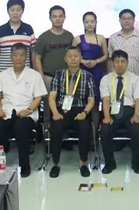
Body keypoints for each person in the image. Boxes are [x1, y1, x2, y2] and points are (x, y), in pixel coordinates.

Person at [0, 43, 47, 178]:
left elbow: (38, 98)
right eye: (15, 55)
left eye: (22, 55)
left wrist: (29, 110)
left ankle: (25, 165)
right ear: (11, 57)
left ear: (26, 57)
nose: (18, 58)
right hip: (6, 112)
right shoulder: (3, 75)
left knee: (21, 128)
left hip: (26, 113)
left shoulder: (34, 75)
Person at [48, 46, 96, 178]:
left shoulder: (88, 76)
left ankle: (83, 163)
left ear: (81, 58)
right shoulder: (58, 74)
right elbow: (52, 97)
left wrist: (84, 113)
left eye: (76, 56)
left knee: (85, 128)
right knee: (56, 128)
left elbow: (91, 100)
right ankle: (56, 164)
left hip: (80, 110)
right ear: (65, 59)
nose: (73, 59)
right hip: (61, 110)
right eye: (70, 56)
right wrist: (55, 113)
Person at [99, 50, 139, 175]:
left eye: (123, 61)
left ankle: (136, 163)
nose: (120, 64)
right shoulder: (106, 79)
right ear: (112, 63)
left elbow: (138, 99)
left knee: (136, 131)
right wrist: (106, 116)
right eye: (117, 61)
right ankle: (109, 163)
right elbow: (105, 99)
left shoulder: (135, 79)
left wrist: (136, 115)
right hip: (112, 111)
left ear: (127, 63)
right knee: (105, 130)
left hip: (130, 110)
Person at [35, 5, 74, 130]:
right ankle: (47, 133)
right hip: (49, 77)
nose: (57, 19)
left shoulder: (69, 36)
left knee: (65, 106)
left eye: (60, 16)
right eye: (54, 16)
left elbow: (74, 55)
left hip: (66, 77)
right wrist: (41, 75)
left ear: (64, 17)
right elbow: (37, 57)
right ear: (50, 18)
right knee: (48, 107)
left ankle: (63, 133)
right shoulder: (43, 37)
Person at [73, 11, 108, 124]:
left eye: (92, 21)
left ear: (96, 23)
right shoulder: (77, 39)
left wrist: (96, 61)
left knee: (95, 101)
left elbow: (106, 55)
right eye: (87, 22)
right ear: (83, 23)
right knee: (81, 100)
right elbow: (72, 55)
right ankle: (82, 127)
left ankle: (95, 130)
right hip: (81, 72)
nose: (89, 24)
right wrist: (82, 61)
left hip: (96, 72)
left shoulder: (101, 38)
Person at [0, 0, 36, 82]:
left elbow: (33, 52)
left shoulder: (28, 29)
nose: (15, 13)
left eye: (18, 10)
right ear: (8, 11)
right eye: (12, 10)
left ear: (22, 11)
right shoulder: (1, 30)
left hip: (25, 74)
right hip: (4, 74)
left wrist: (34, 71)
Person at [107, 9, 139, 83]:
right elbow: (110, 59)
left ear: (134, 21)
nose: (126, 21)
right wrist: (109, 77)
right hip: (117, 80)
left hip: (138, 80)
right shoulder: (113, 38)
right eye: (124, 19)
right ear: (119, 21)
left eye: (129, 19)